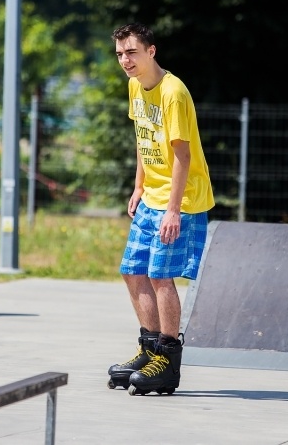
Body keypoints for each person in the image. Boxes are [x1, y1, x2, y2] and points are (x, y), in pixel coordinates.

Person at [107, 22, 215, 394]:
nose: (125, 60)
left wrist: (172, 210)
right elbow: (142, 138)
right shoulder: (135, 86)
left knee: (160, 275)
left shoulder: (174, 93)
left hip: (181, 199)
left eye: (132, 52)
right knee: (132, 271)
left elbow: (182, 156)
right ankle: (149, 349)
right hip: (151, 195)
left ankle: (168, 362)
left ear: (151, 51)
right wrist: (138, 186)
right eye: (120, 53)